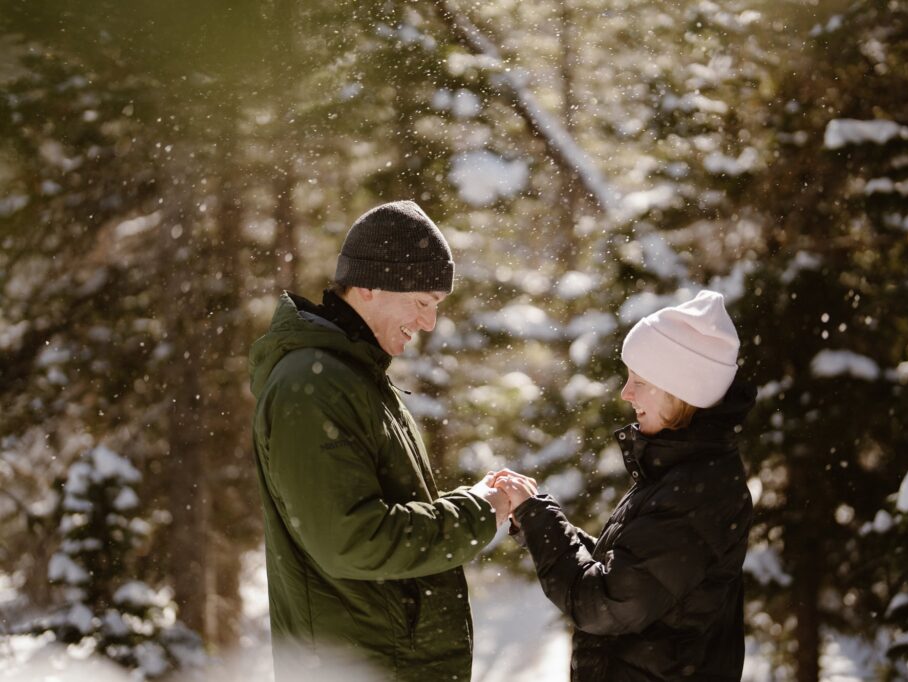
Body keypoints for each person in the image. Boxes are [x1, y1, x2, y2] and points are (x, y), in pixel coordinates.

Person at [249, 200, 514, 682]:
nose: (430, 322)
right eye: (422, 301)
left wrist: (474, 502)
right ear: (369, 286)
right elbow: (352, 539)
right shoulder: (313, 388)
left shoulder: (358, 381)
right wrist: (478, 514)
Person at [495, 290, 755, 681]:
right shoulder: (681, 473)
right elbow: (622, 573)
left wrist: (539, 520)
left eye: (640, 381)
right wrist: (534, 519)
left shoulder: (698, 490)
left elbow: (604, 603)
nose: (626, 393)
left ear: (679, 391)